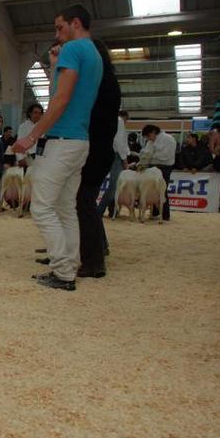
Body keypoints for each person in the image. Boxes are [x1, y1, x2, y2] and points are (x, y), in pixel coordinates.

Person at [12, 4, 103, 291]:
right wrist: (54, 67)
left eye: (59, 27)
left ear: (75, 23)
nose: (57, 34)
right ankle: (68, 265)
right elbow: (66, 95)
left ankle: (63, 271)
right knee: (66, 208)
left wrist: (31, 137)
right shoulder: (95, 54)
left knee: (41, 207)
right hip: (79, 141)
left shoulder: (74, 50)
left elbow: (59, 101)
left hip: (62, 142)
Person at [77, 39, 120, 279]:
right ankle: (97, 251)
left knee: (84, 203)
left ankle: (94, 261)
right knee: (86, 203)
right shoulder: (108, 80)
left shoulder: (100, 82)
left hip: (95, 150)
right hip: (100, 150)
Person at [139, 124, 176, 221]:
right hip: (151, 167)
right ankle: (154, 213)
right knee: (152, 191)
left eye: (148, 136)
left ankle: (165, 215)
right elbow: (145, 154)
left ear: (153, 132)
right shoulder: (150, 141)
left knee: (162, 190)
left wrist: (151, 156)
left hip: (164, 167)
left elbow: (166, 156)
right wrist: (142, 163)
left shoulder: (168, 139)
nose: (148, 139)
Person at [97, 110, 130, 217]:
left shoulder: (108, 121)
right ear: (125, 117)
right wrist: (125, 159)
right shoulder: (119, 122)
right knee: (115, 185)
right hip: (116, 155)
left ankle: (110, 211)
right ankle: (100, 210)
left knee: (109, 184)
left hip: (105, 153)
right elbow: (119, 142)